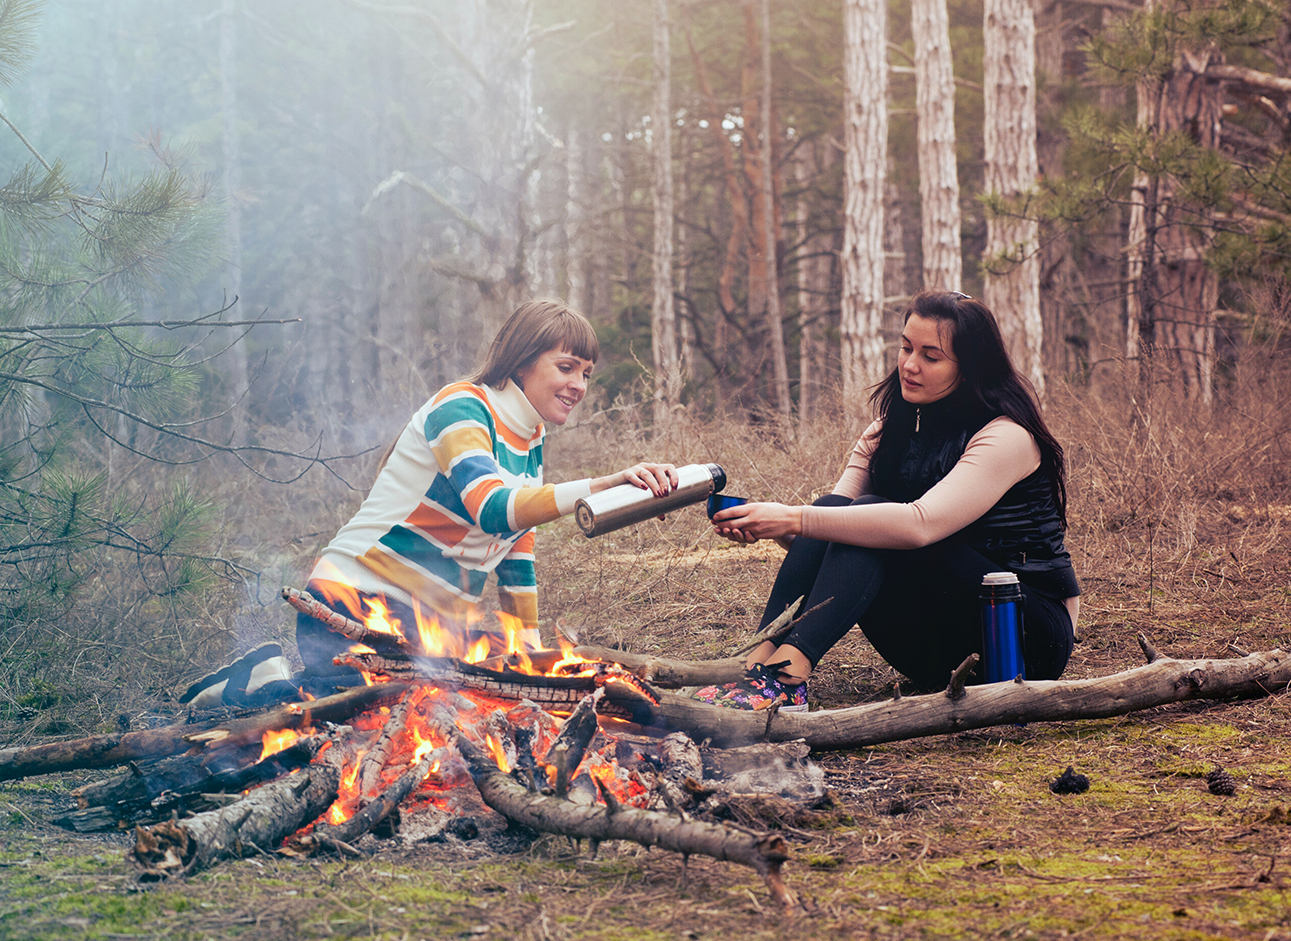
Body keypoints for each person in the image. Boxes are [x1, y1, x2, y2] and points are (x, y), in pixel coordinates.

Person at [695, 290, 1079, 712]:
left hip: (1021, 638)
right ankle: (751, 669)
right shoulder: (884, 431)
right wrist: (771, 527)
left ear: (970, 369)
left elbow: (919, 525)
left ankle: (787, 679)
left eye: (931, 357)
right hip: (937, 647)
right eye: (905, 347)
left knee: (859, 517)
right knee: (833, 509)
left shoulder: (1006, 436)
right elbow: (829, 532)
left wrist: (792, 519)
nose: (910, 365)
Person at [293, 299, 677, 683]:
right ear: (522, 362)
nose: (579, 385)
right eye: (566, 367)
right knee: (360, 715)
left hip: (428, 631)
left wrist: (534, 663)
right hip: (354, 602)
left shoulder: (531, 437)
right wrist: (600, 485)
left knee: (498, 689)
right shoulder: (462, 406)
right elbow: (492, 509)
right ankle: (259, 684)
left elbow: (517, 555)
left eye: (587, 374)